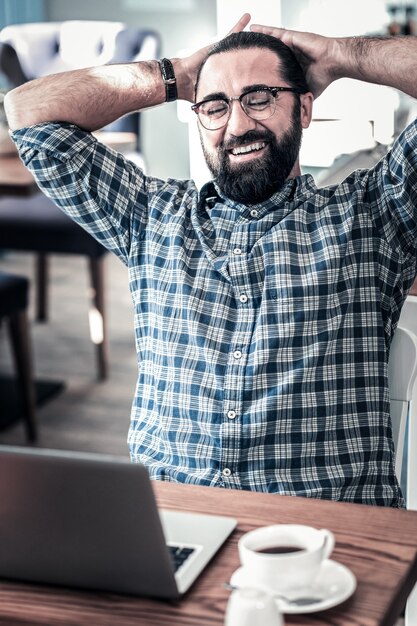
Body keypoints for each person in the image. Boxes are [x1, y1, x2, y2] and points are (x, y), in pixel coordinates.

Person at [4, 14, 417, 507]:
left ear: (304, 107)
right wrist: (174, 75)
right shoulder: (149, 216)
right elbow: (28, 111)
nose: (238, 126)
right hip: (168, 524)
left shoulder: (372, 215)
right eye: (216, 107)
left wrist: (342, 55)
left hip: (325, 536)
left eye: (260, 98)